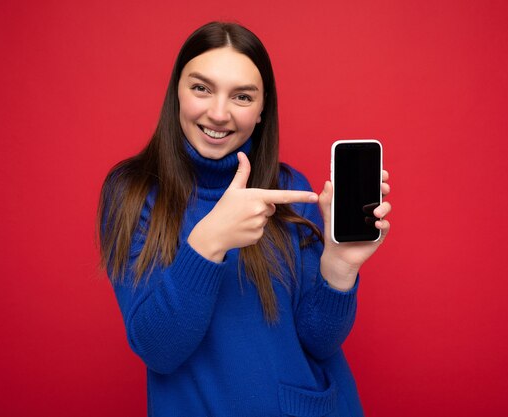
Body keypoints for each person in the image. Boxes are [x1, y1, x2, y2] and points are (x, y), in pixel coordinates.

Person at [97, 21, 392, 417]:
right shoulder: (131, 192)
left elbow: (318, 343)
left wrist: (340, 266)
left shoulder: (288, 189)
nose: (219, 114)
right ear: (176, 94)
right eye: (201, 88)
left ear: (261, 109)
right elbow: (159, 350)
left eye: (242, 96)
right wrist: (209, 243)